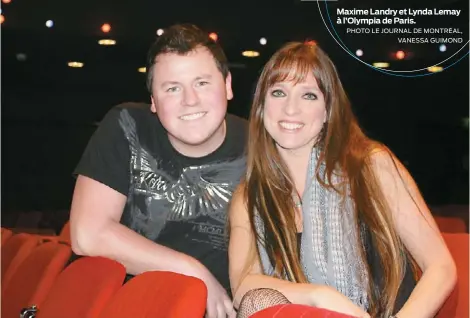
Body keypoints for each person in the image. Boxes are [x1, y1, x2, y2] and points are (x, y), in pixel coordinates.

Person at [228, 42, 457, 318]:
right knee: (258, 301)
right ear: (262, 107)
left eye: (309, 96)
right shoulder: (249, 196)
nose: (291, 109)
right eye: (279, 93)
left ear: (327, 111)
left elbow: (440, 267)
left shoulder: (370, 165)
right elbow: (243, 286)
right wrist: (320, 296)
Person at [69, 23, 247, 318]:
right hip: (123, 307)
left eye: (202, 83)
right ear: (153, 100)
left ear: (228, 85)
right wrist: (193, 272)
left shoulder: (259, 148)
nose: (190, 100)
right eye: (172, 88)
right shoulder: (127, 126)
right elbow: (87, 234)